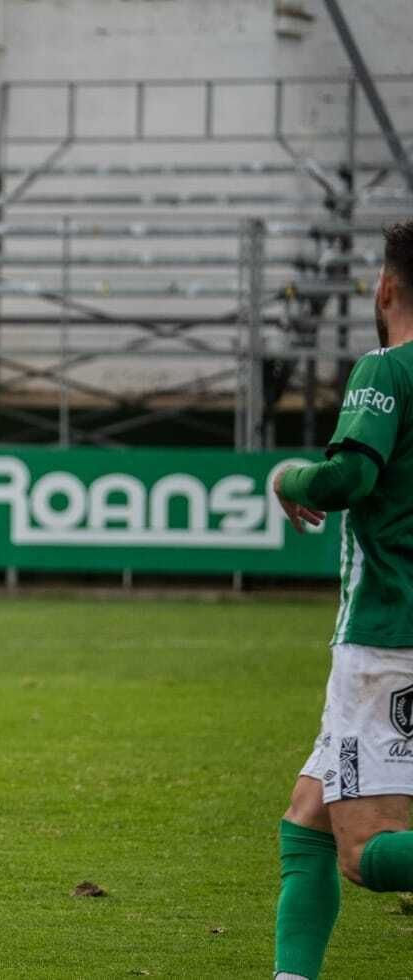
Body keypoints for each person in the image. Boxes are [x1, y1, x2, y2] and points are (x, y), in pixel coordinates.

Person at [272, 220, 413, 980]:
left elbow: (347, 481)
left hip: (391, 632)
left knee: (365, 851)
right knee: (308, 816)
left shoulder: (386, 370)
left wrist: (287, 479)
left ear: (384, 288)